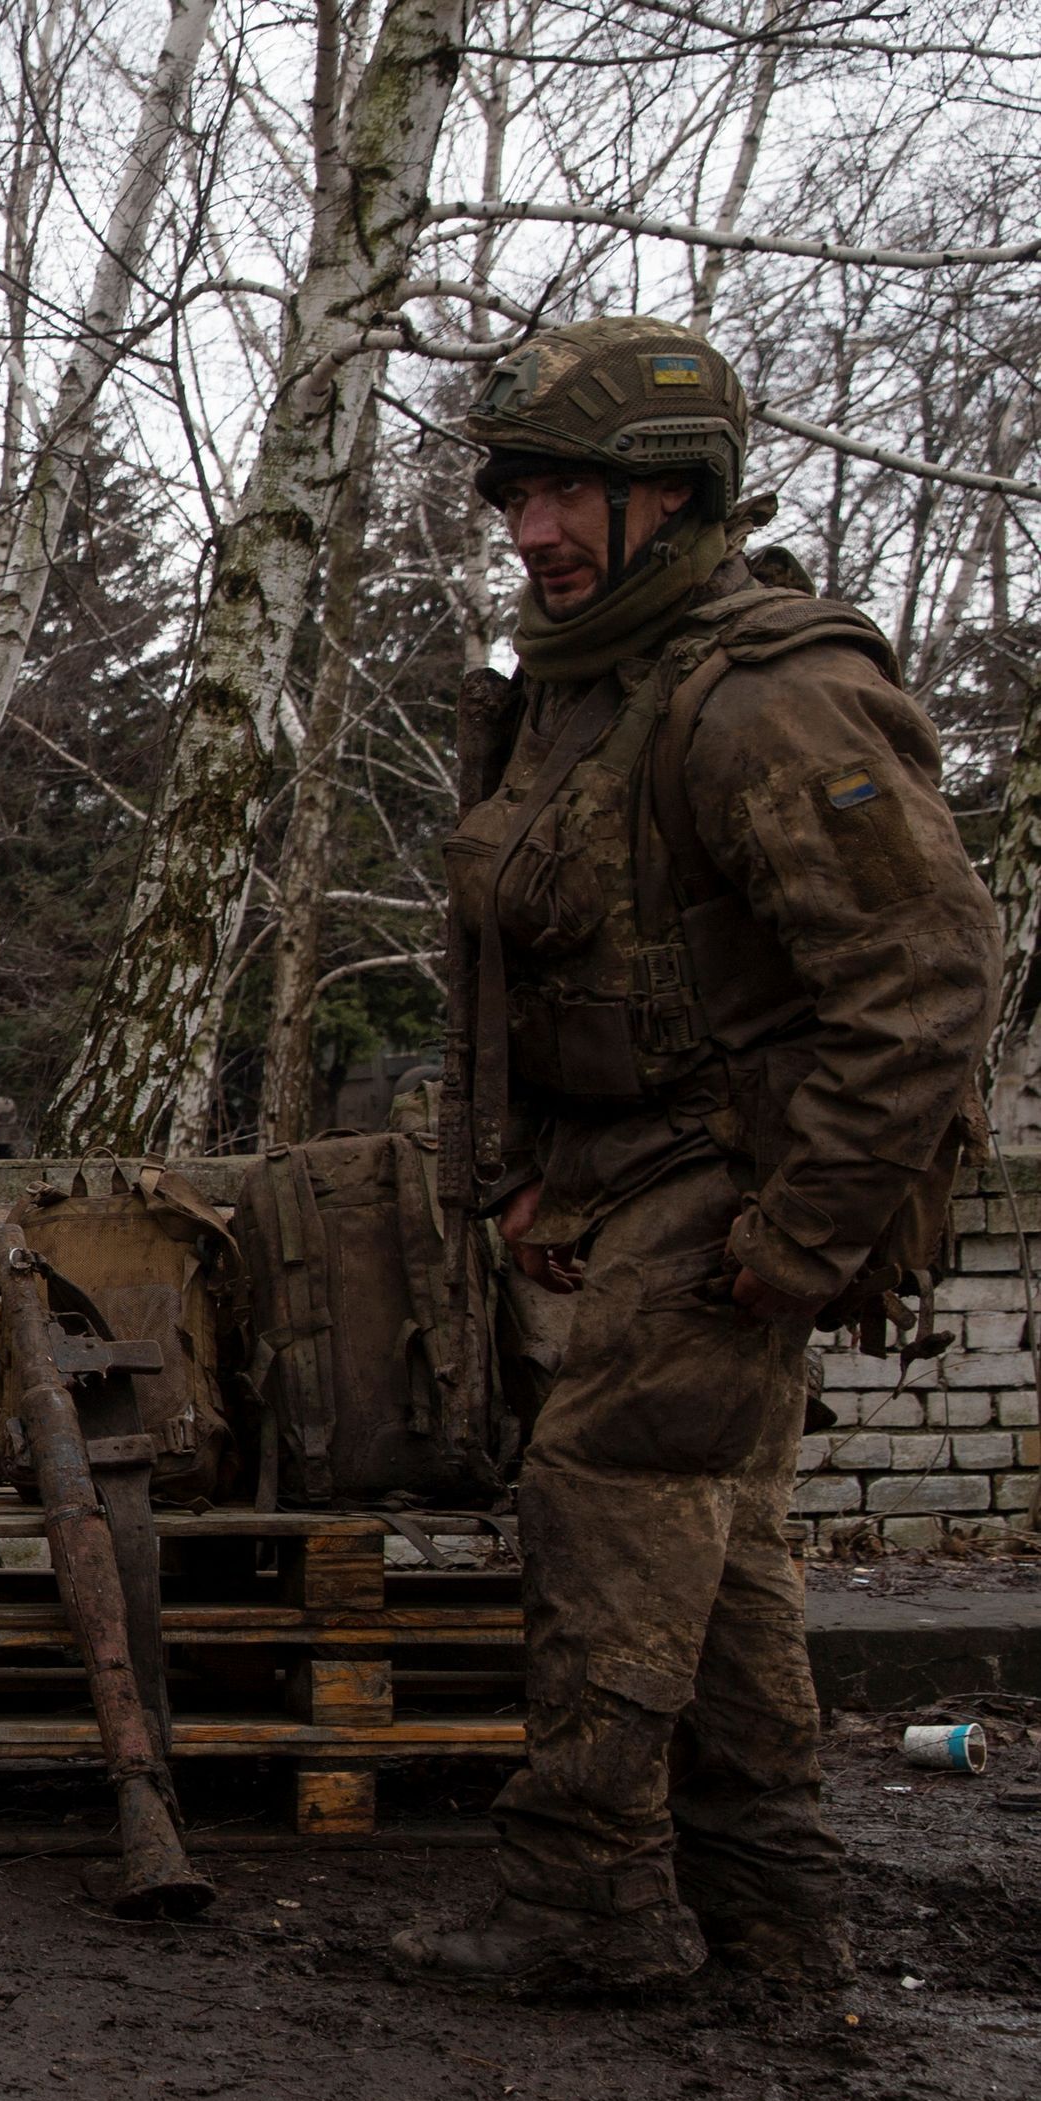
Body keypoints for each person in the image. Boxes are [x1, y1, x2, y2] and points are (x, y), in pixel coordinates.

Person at [398, 318, 998, 1991]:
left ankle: (586, 1903)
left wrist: (796, 1238)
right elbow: (546, 970)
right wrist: (523, 1174)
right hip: (630, 1175)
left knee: (606, 1492)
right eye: (516, 494)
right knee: (711, 1538)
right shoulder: (584, 696)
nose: (531, 531)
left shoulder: (768, 693)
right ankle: (769, 1904)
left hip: (740, 1182)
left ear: (676, 492)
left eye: (569, 491)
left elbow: (928, 975)